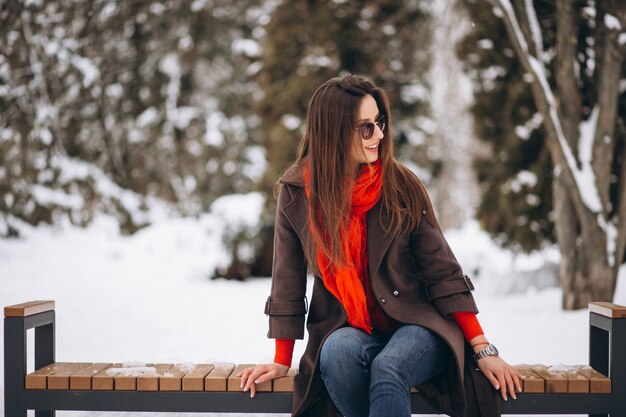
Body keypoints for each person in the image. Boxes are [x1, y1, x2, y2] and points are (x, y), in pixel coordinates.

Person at [238, 74, 522, 417]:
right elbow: (287, 280)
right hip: (348, 329)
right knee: (337, 353)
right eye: (366, 127)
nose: (380, 135)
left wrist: (481, 346)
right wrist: (282, 360)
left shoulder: (401, 185)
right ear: (334, 131)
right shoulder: (297, 194)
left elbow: (442, 270)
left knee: (389, 368)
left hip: (419, 326)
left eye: (380, 123)